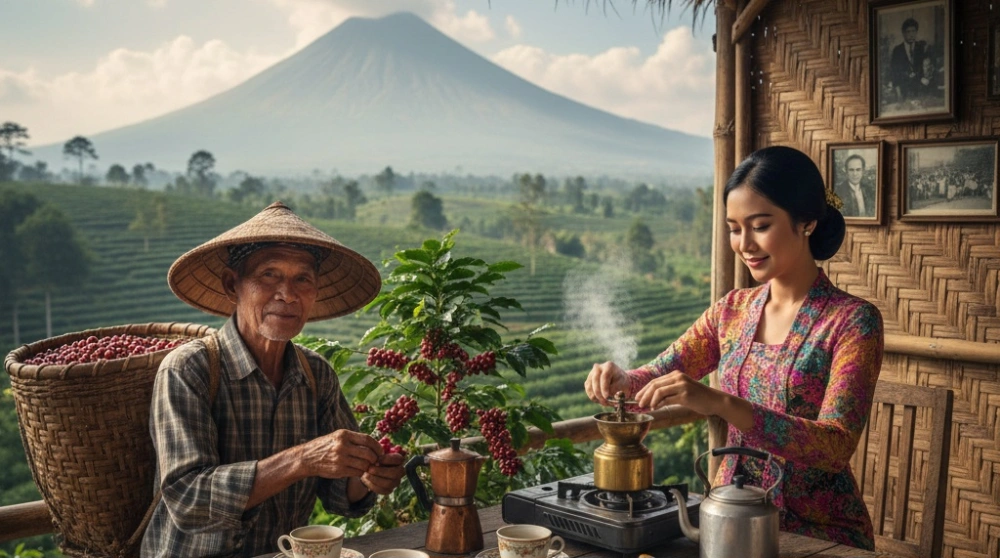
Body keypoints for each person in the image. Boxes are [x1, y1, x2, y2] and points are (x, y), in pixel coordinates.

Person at [585, 146, 883, 550]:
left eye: (760, 226)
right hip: (730, 516)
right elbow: (660, 371)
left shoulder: (852, 321)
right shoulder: (732, 311)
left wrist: (720, 402)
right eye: (734, 228)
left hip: (817, 532)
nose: (745, 244)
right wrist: (623, 380)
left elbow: (834, 446)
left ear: (807, 223)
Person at [141, 201, 405, 557]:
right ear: (232, 285)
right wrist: (302, 459)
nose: (288, 294)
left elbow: (340, 494)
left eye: (302, 279)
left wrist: (368, 476)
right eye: (269, 274)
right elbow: (188, 499)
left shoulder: (316, 375)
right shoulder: (189, 369)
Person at [889, 18, 927, 101]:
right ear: (903, 33)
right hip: (903, 92)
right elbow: (894, 73)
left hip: (919, 91)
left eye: (913, 31)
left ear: (916, 32)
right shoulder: (897, 50)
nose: (911, 34)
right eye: (908, 32)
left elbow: (924, 69)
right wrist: (899, 95)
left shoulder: (921, 48)